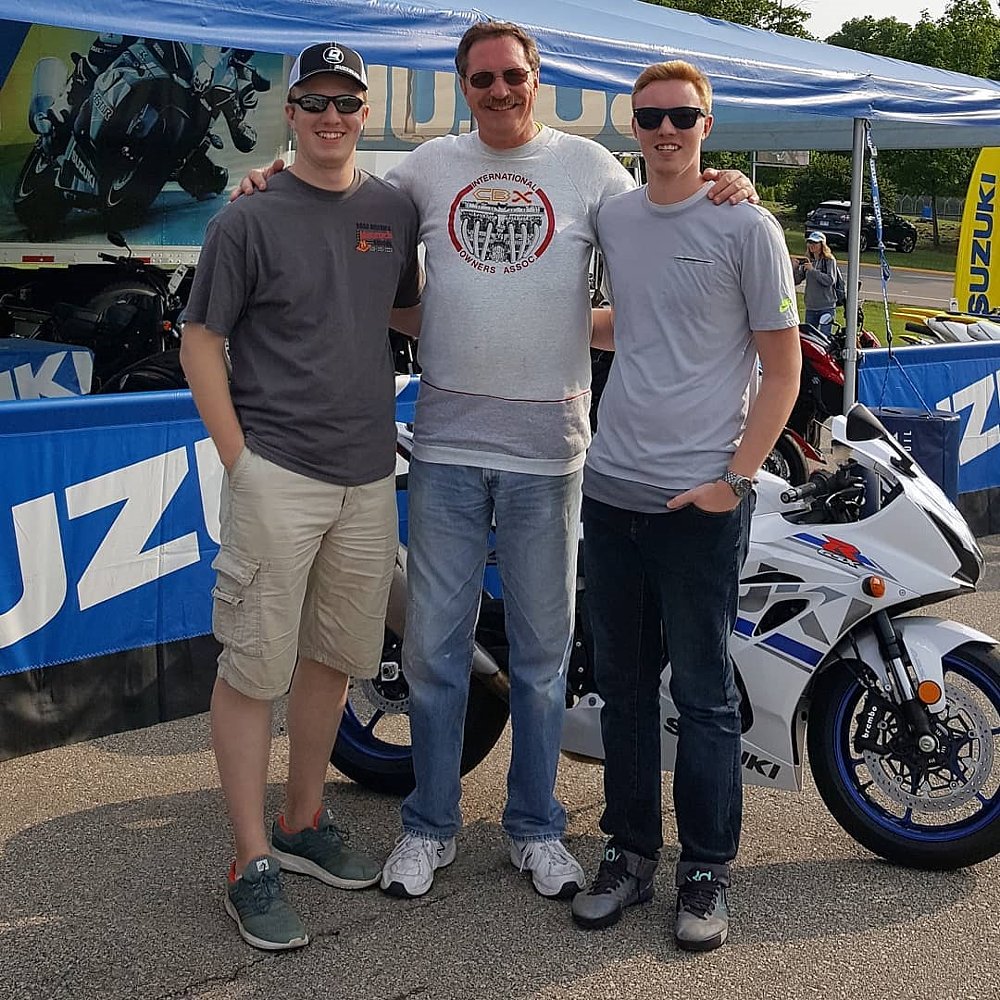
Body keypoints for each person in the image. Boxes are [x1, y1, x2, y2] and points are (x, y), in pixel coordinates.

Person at [236, 21, 756, 904]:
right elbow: (342, 200)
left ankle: (534, 827)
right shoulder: (427, 169)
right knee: (436, 652)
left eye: (513, 75)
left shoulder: (594, 169)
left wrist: (723, 185)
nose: (500, 90)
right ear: (462, 85)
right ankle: (430, 825)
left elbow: (658, 230)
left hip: (551, 456)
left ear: (537, 78)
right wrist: (274, 177)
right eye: (482, 78)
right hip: (445, 446)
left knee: (544, 658)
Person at [179, 41, 421, 951]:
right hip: (277, 470)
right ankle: (250, 860)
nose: (331, 116)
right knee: (252, 668)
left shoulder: (393, 209)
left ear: (366, 113)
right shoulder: (247, 218)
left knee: (332, 659)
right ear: (291, 113)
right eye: (314, 101)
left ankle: (304, 817)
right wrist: (239, 460)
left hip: (367, 476)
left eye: (346, 102)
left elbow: (408, 309)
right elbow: (202, 340)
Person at [568, 61, 801, 951]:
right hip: (612, 488)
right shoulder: (617, 215)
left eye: (683, 117)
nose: (666, 131)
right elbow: (634, 320)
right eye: (651, 117)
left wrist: (733, 482)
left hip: (700, 502)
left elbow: (781, 369)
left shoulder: (748, 223)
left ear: (708, 123)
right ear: (634, 125)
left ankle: (707, 870)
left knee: (703, 696)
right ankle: (630, 855)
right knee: (623, 691)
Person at [793, 231, 840, 335]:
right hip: (811, 307)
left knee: (824, 336)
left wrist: (813, 270)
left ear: (822, 245)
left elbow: (830, 280)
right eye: (810, 242)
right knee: (810, 337)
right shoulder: (809, 260)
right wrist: (795, 269)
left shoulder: (829, 260)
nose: (811, 245)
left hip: (826, 306)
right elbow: (796, 281)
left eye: (815, 243)